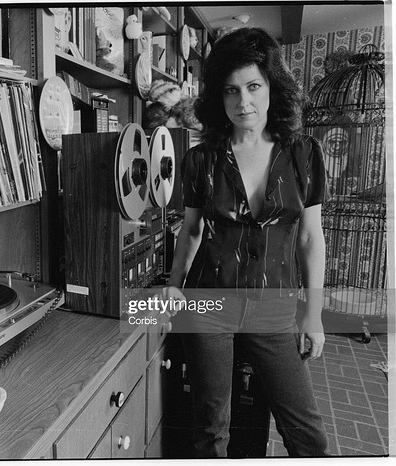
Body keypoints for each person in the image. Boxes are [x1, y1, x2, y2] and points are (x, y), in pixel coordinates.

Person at [164, 27, 329, 457]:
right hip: (210, 303)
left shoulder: (304, 155)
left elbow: (311, 238)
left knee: (306, 432)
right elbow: (192, 231)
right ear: (219, 99)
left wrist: (313, 314)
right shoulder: (201, 159)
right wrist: (173, 285)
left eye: (254, 86)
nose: (244, 102)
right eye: (231, 91)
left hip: (275, 306)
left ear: (273, 87)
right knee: (211, 425)